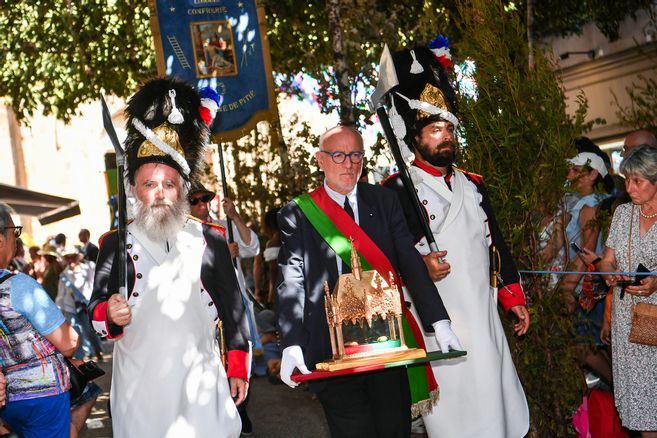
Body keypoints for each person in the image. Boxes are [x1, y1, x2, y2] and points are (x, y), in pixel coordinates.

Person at [380, 43, 529, 437]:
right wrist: (418, 267)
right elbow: (387, 258)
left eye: (449, 129)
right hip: (437, 319)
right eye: (434, 130)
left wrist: (512, 298)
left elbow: (495, 245)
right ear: (415, 138)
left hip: (482, 315)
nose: (445, 137)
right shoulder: (395, 190)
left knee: (495, 401)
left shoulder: (474, 185)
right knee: (452, 416)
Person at [276, 124, 462, 438]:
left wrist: (440, 322)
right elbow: (291, 280)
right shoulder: (298, 213)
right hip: (330, 349)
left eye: (356, 155)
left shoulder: (385, 201)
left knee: (394, 429)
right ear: (320, 160)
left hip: (385, 344)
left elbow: (409, 261)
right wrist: (291, 341)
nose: (348, 163)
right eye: (338, 155)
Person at [88, 77, 249, 438]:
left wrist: (237, 366)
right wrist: (109, 313)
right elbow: (95, 313)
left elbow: (233, 309)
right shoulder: (114, 244)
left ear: (182, 189)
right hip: (139, 390)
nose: (159, 193)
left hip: (202, 384)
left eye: (168, 184)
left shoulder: (211, 239)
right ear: (134, 189)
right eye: (150, 184)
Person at [0, 202, 80, 438]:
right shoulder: (19, 285)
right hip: (43, 395)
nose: (17, 240)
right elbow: (69, 343)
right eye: (15, 232)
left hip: (10, 402)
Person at [187, 182, 260, 436]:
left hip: (235, 308)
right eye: (194, 200)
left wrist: (235, 216)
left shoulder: (222, 228)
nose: (201, 204)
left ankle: (241, 408)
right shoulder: (184, 237)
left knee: (240, 356)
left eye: (205, 198)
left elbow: (253, 247)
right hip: (207, 315)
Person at [598, 145, 657, 436]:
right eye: (627, 180)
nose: (629, 187)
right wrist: (609, 273)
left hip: (655, 316)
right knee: (642, 407)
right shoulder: (622, 214)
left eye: (638, 181)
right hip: (628, 322)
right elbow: (606, 260)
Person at [56, 247, 102, 360]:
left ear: (77, 258)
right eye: (68, 258)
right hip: (70, 308)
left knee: (90, 330)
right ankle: (80, 358)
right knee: (76, 332)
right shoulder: (64, 275)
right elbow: (60, 295)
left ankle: (98, 350)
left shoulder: (87, 269)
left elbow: (94, 285)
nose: (71, 260)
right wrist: (59, 311)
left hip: (86, 305)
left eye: (73, 257)